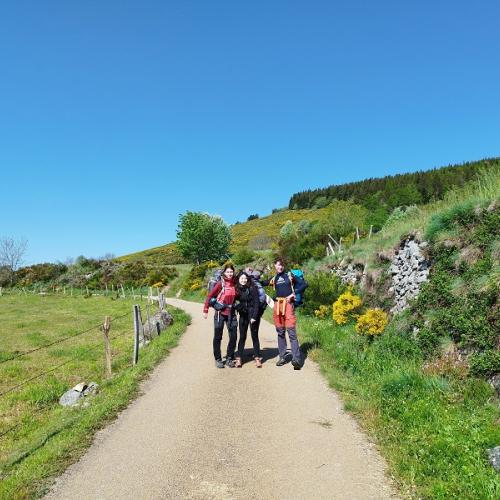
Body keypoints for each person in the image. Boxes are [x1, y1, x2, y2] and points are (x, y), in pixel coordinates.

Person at [261, 257, 307, 370]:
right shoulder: (274, 278)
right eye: (277, 265)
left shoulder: (290, 276)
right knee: (280, 332)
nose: (280, 267)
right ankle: (282, 357)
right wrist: (251, 279)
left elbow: (304, 284)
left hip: (288, 305)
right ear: (274, 266)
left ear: (283, 266)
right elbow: (263, 283)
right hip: (277, 306)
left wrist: (293, 293)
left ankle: (296, 359)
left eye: (281, 265)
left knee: (291, 332)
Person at [203, 264, 238, 368]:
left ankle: (229, 358)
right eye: (228, 272)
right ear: (224, 273)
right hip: (220, 313)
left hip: (231, 312)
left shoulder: (235, 283)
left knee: (234, 336)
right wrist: (205, 310)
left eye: (231, 272)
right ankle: (218, 359)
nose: (229, 274)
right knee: (218, 336)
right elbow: (210, 296)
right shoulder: (220, 283)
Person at [233, 271, 262, 368]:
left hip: (252, 314)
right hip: (243, 315)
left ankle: (257, 357)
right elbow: (234, 302)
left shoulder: (253, 288)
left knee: (254, 336)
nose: (244, 280)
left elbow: (257, 303)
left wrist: (254, 316)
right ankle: (239, 358)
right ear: (238, 279)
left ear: (248, 279)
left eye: (245, 278)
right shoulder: (237, 289)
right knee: (242, 336)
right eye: (242, 278)